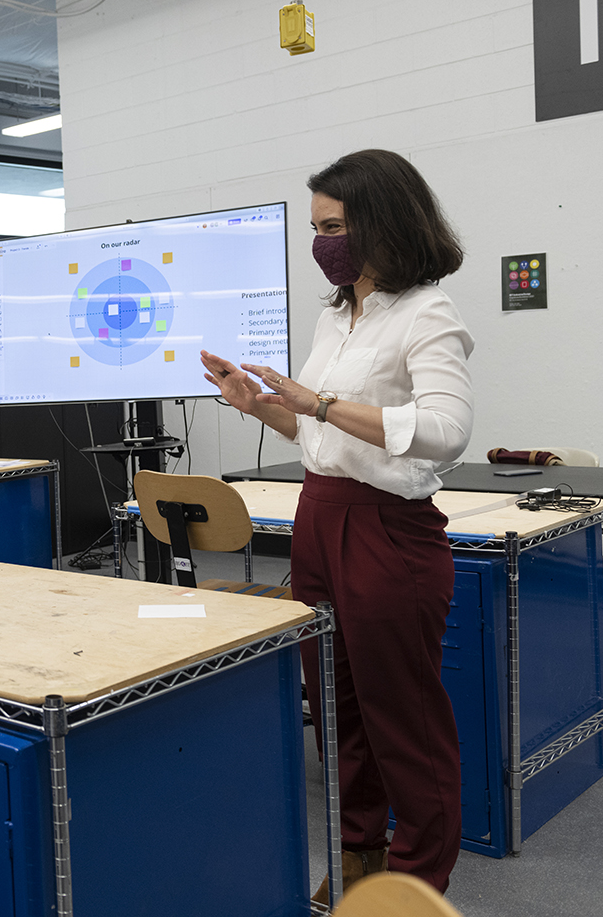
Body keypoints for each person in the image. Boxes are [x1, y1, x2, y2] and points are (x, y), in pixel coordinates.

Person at [200, 149, 472, 898]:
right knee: (336, 703)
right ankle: (361, 855)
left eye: (335, 225)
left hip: (387, 530)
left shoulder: (428, 313)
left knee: (403, 719)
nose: (323, 242)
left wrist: (316, 402)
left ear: (383, 221)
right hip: (319, 515)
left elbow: (448, 430)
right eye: (317, 227)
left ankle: (419, 880)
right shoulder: (336, 317)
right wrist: (264, 408)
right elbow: (326, 442)